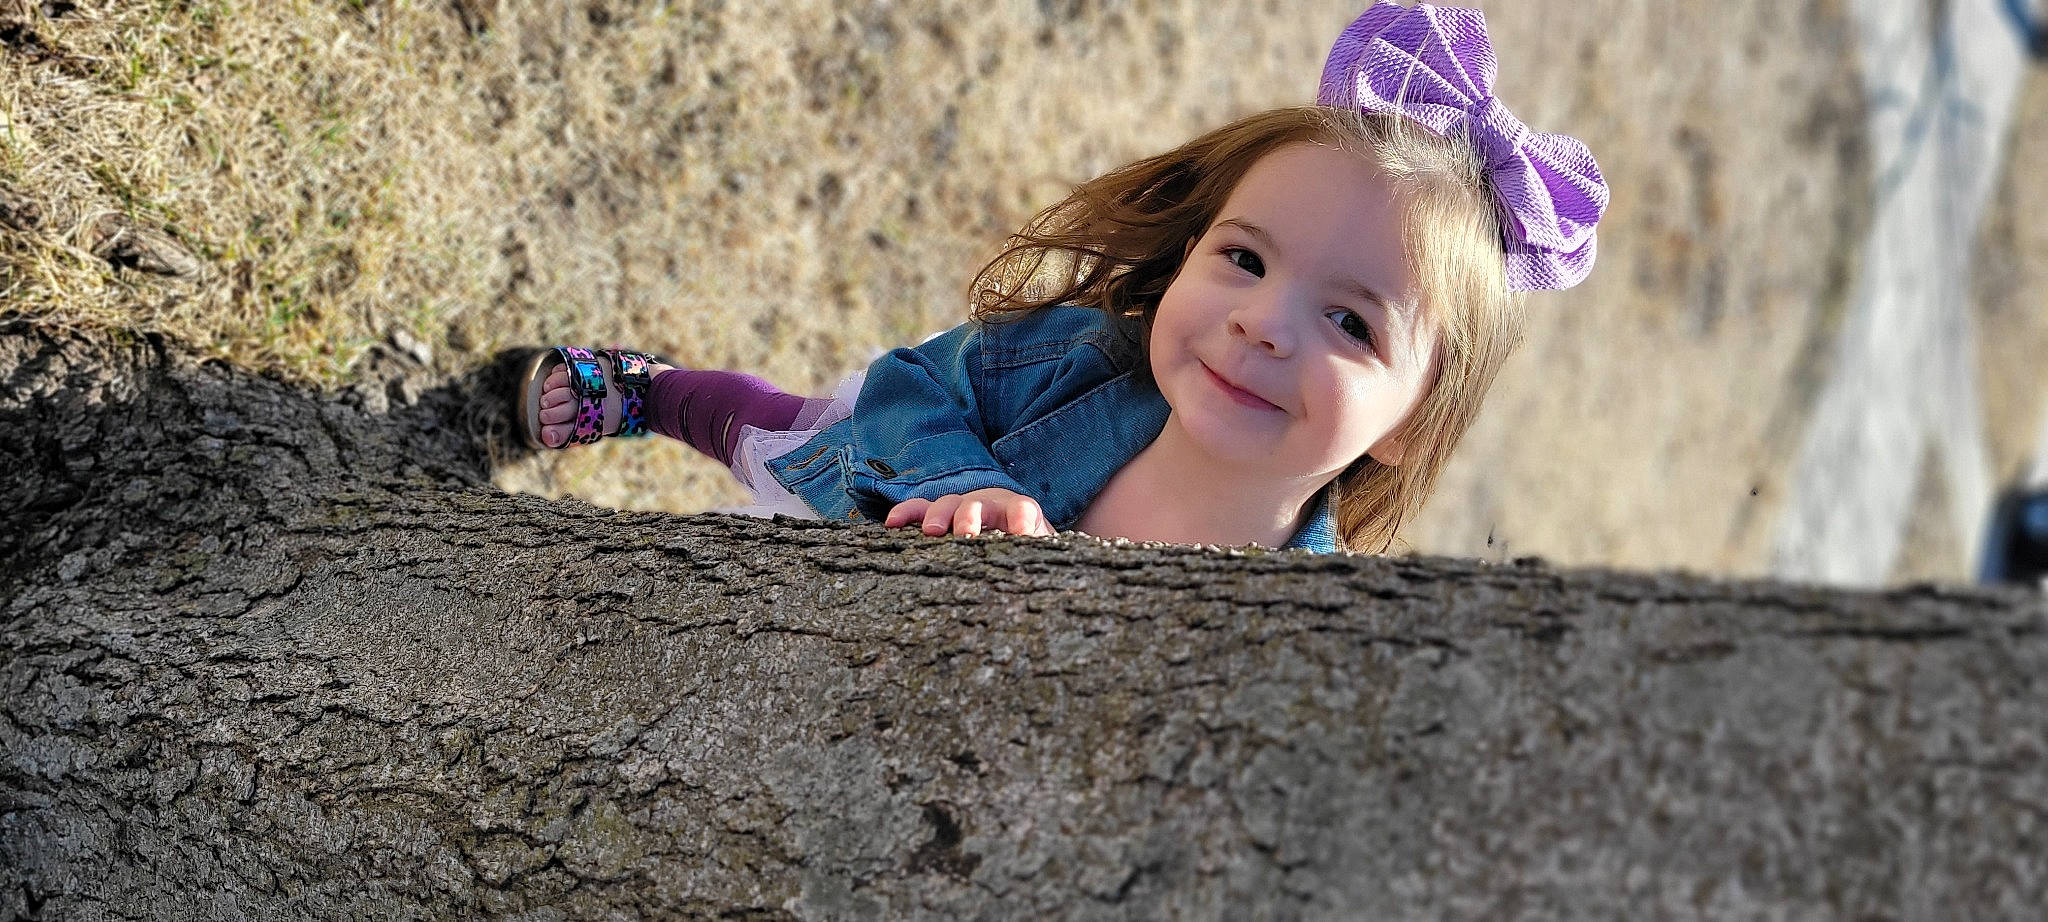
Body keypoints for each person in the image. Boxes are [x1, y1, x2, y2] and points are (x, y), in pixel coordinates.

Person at [517, 2, 1607, 554]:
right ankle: (654, 391)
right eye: (1242, 258)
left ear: (1414, 421)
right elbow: (909, 389)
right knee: (770, 431)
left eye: (1347, 320)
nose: (1264, 323)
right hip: (867, 490)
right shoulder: (1079, 360)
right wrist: (956, 484)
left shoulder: (1303, 635)